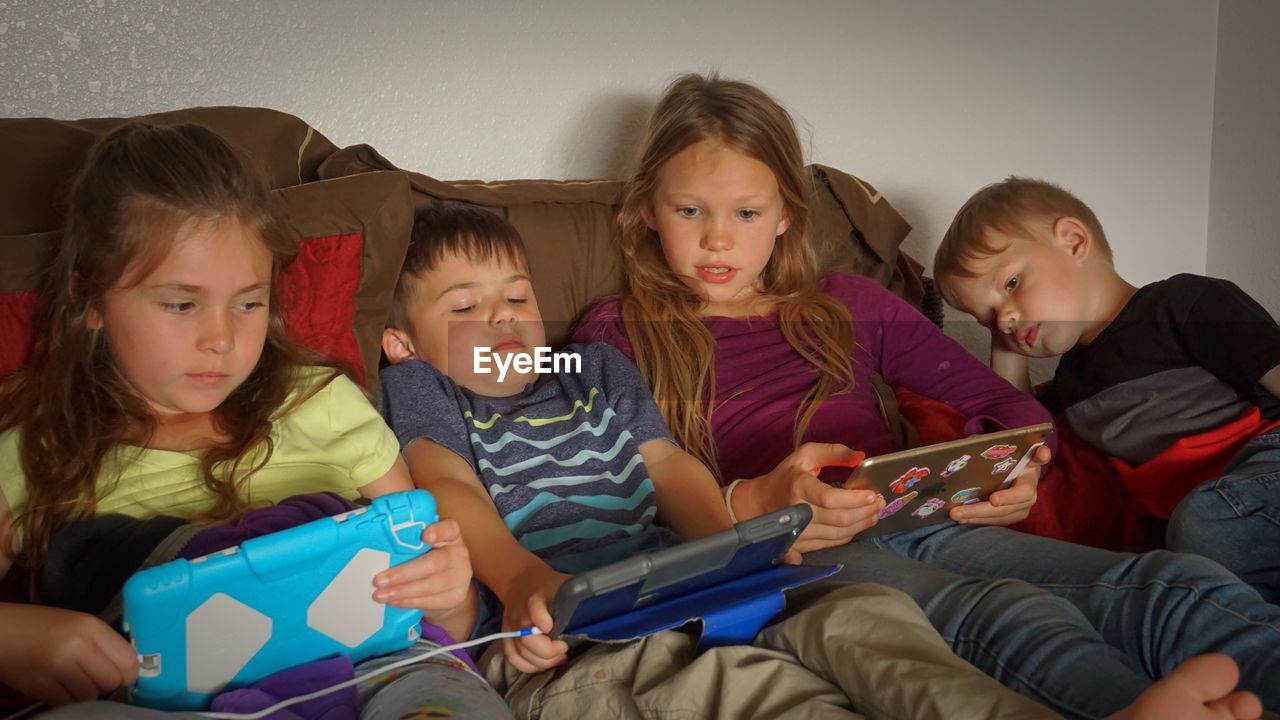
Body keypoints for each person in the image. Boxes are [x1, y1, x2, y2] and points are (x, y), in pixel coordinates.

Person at [570, 72, 1279, 719]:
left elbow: (1016, 415)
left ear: (786, 214)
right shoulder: (615, 330)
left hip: (918, 515)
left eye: (747, 214)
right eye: (690, 209)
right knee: (1006, 613)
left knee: (1171, 583)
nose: (718, 238)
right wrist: (756, 506)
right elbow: (632, 480)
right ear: (645, 211)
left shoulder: (849, 302)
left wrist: (1019, 471)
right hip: (792, 554)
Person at [375, 201, 1063, 720]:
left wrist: (730, 546)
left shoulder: (593, 366)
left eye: (517, 296)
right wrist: (528, 578)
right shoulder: (422, 386)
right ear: (404, 343)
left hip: (685, 590)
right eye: (466, 306)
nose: (501, 319)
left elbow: (668, 465)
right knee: (758, 692)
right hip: (569, 644)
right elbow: (448, 485)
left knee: (866, 615)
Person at [0, 123, 510, 719]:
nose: (221, 338)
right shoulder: (36, 446)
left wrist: (450, 599)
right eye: (181, 304)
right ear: (90, 300)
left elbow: (441, 605)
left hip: (378, 672)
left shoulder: (324, 404)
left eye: (248, 302)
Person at [932, 176, 1280, 602]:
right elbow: (1020, 427)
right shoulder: (1072, 381)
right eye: (986, 318)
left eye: (1011, 285)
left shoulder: (1185, 302)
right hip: (1201, 516)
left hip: (1261, 464)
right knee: (1151, 578)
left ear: (1075, 241)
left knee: (1208, 522)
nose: (1003, 319)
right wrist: (1007, 345)